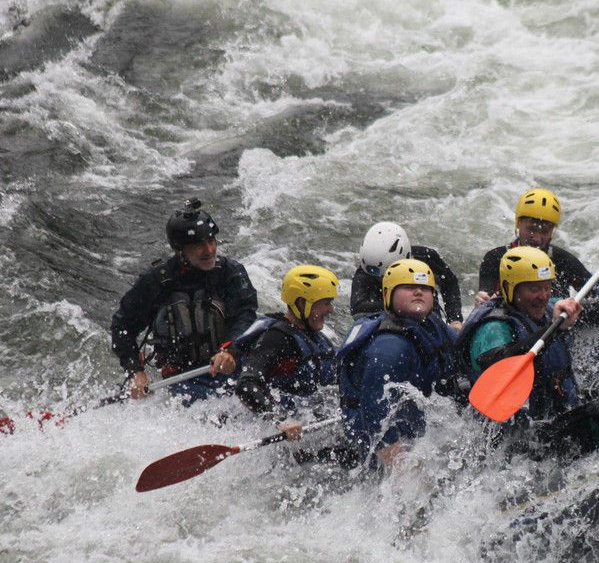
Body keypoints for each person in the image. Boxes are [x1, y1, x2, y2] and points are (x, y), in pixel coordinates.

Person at [458, 246, 599, 462]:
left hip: (562, 415)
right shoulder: (493, 327)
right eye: (534, 289)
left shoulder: (550, 309)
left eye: (547, 287)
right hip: (523, 441)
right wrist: (554, 329)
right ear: (509, 287)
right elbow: (500, 364)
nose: (543, 296)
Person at [110, 198, 258, 402]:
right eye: (199, 245)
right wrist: (136, 372)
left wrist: (230, 350)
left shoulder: (230, 273)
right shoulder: (154, 282)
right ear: (179, 250)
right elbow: (122, 328)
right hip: (182, 380)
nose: (209, 250)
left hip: (230, 370)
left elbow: (246, 317)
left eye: (211, 241)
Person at [337, 258, 460, 470]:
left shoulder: (433, 323)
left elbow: (463, 355)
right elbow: (375, 413)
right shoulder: (388, 348)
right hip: (378, 441)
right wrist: (402, 471)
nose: (418, 292)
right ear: (387, 295)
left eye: (425, 288)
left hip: (414, 420)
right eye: (409, 287)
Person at [232, 265, 340, 441]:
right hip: (285, 432)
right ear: (302, 303)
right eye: (326, 303)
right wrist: (280, 419)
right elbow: (247, 385)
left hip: (315, 426)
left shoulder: (318, 337)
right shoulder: (276, 339)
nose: (331, 310)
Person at [475, 188, 592, 304]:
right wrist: (482, 303)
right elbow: (485, 304)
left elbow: (598, 298)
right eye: (531, 229)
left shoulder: (563, 261)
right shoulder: (496, 259)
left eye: (545, 231)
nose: (537, 238)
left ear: (552, 233)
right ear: (518, 223)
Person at [350, 221, 464, 330]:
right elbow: (357, 309)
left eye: (386, 275)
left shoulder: (425, 257)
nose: (381, 279)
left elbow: (450, 283)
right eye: (377, 276)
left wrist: (455, 319)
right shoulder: (364, 272)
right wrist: (401, 307)